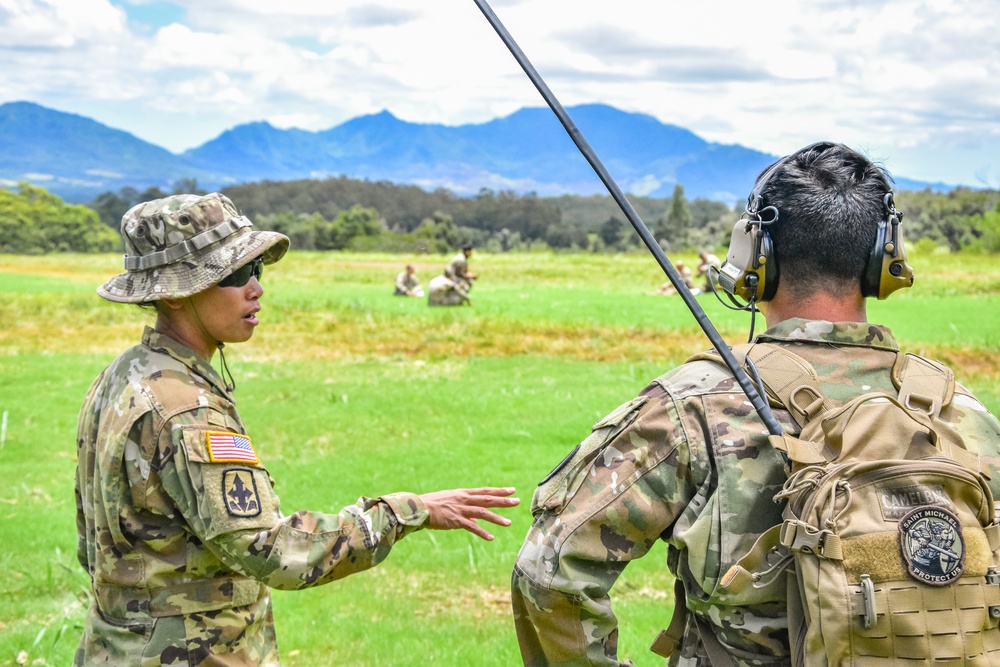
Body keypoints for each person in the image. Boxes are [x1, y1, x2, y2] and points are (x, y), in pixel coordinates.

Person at [510, 143, 1000, 666]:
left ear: (753, 254)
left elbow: (549, 572)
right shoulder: (961, 411)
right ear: (886, 257)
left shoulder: (693, 403)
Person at [74, 193, 519, 666]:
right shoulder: (185, 408)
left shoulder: (123, 375)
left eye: (257, 270)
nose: (256, 289)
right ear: (173, 293)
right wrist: (409, 510)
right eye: (236, 275)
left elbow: (94, 545)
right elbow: (275, 552)